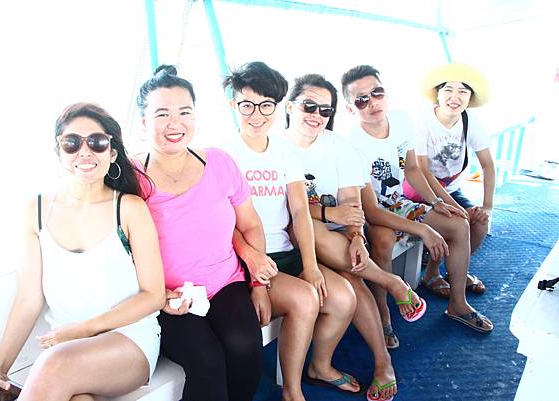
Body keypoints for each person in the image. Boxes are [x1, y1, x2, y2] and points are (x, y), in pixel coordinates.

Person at [0, 103, 166, 401]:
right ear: (59, 151)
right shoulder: (37, 210)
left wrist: (85, 329)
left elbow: (154, 295)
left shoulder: (129, 209)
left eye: (97, 142)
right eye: (71, 143)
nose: (84, 152)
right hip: (66, 347)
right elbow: (29, 299)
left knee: (54, 365)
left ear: (112, 153)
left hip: (128, 338)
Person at [284, 73, 428, 401]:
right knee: (313, 230)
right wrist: (327, 213)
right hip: (298, 239)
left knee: (353, 277)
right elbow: (289, 210)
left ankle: (382, 363)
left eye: (325, 110)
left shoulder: (337, 145)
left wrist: (358, 237)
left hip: (338, 242)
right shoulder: (277, 148)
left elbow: (351, 201)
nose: (317, 115)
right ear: (290, 106)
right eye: (309, 106)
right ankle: (390, 282)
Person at [221, 61, 360, 400]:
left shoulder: (284, 151)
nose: (257, 115)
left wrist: (311, 267)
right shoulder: (223, 153)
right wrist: (253, 262)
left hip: (286, 252)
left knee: (343, 299)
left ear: (278, 106)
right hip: (246, 261)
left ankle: (320, 366)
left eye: (266, 105)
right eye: (247, 105)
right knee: (305, 299)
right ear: (233, 105)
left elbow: (299, 211)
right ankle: (293, 392)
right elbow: (221, 221)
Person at [134, 65, 264, 401]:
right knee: (206, 360)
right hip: (164, 297)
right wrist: (161, 295)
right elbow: (121, 252)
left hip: (225, 282)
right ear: (144, 122)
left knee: (245, 347)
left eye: (184, 112)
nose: (175, 123)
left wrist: (259, 286)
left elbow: (250, 224)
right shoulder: (131, 178)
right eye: (162, 113)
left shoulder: (220, 162)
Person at [340, 64, 493, 342]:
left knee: (458, 223)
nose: (372, 102)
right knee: (383, 239)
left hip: (397, 202)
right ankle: (383, 315)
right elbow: (371, 211)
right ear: (350, 109)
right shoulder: (352, 143)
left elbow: (411, 169)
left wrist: (436, 201)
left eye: (377, 92)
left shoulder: (401, 120)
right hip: (366, 212)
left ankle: (457, 304)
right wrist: (423, 229)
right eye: (361, 99)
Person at [405, 62, 494, 297]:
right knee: (457, 220)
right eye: (448, 90)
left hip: (451, 188)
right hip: (422, 189)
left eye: (463, 91)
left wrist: (487, 207)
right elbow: (422, 170)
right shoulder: (423, 120)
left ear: (470, 98)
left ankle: (457, 271)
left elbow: (487, 164)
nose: (455, 97)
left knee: (480, 222)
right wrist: (455, 207)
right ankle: (432, 273)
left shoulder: (470, 120)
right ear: (437, 94)